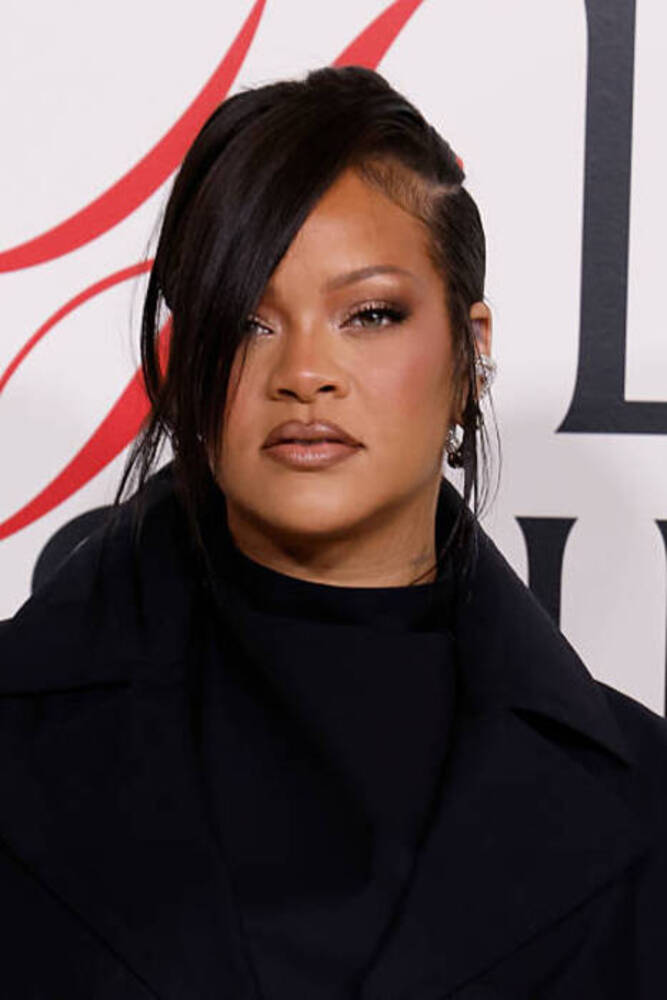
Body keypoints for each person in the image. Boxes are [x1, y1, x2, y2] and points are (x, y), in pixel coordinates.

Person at [1, 64, 666, 1000]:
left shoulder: (644, 800)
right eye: (247, 322)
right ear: (187, 361)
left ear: (469, 354)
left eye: (370, 314)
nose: (304, 372)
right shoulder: (20, 729)